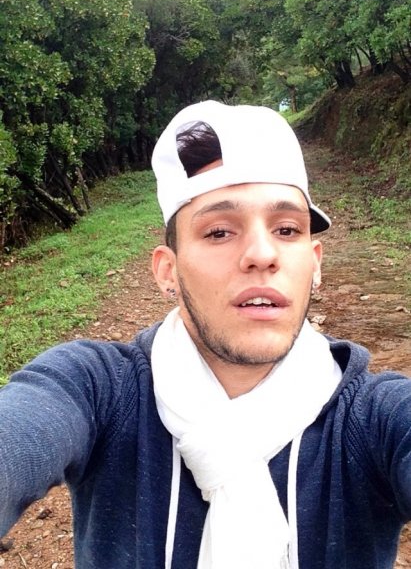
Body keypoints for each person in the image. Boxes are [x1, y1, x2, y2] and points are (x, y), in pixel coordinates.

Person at [0, 100, 410, 569]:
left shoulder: (375, 418)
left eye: (286, 229)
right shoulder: (96, 389)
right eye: (218, 232)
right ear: (168, 272)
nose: (262, 254)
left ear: (314, 263)